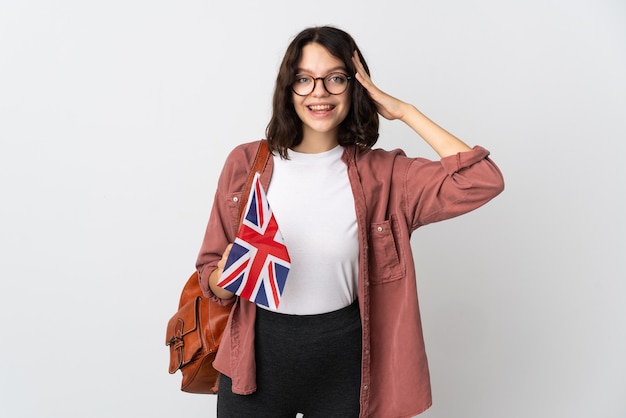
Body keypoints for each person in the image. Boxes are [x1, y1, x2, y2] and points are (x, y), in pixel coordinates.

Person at [196, 25, 504, 418]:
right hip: (255, 363)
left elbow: (482, 180)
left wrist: (404, 111)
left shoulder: (386, 175)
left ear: (356, 86)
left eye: (335, 78)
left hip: (347, 366)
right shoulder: (246, 164)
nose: (319, 92)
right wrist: (223, 278)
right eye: (304, 79)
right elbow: (210, 274)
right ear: (288, 89)